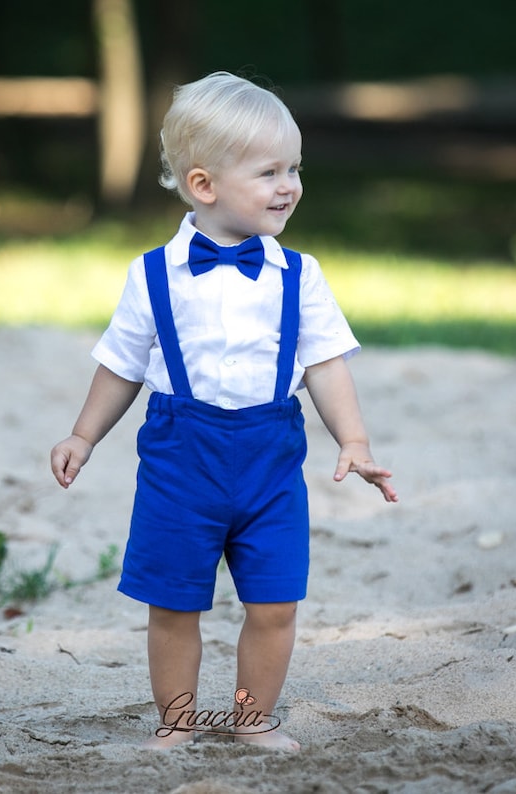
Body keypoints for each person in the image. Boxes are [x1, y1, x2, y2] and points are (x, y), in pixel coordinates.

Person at [51, 71, 398, 751]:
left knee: (274, 605)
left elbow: (325, 363)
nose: (290, 185)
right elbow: (121, 363)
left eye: (294, 168)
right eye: (269, 171)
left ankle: (252, 720)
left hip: (270, 464)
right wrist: (83, 435)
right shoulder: (153, 274)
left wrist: (352, 439)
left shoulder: (302, 275)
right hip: (181, 462)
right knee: (174, 605)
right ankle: (177, 724)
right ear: (204, 185)